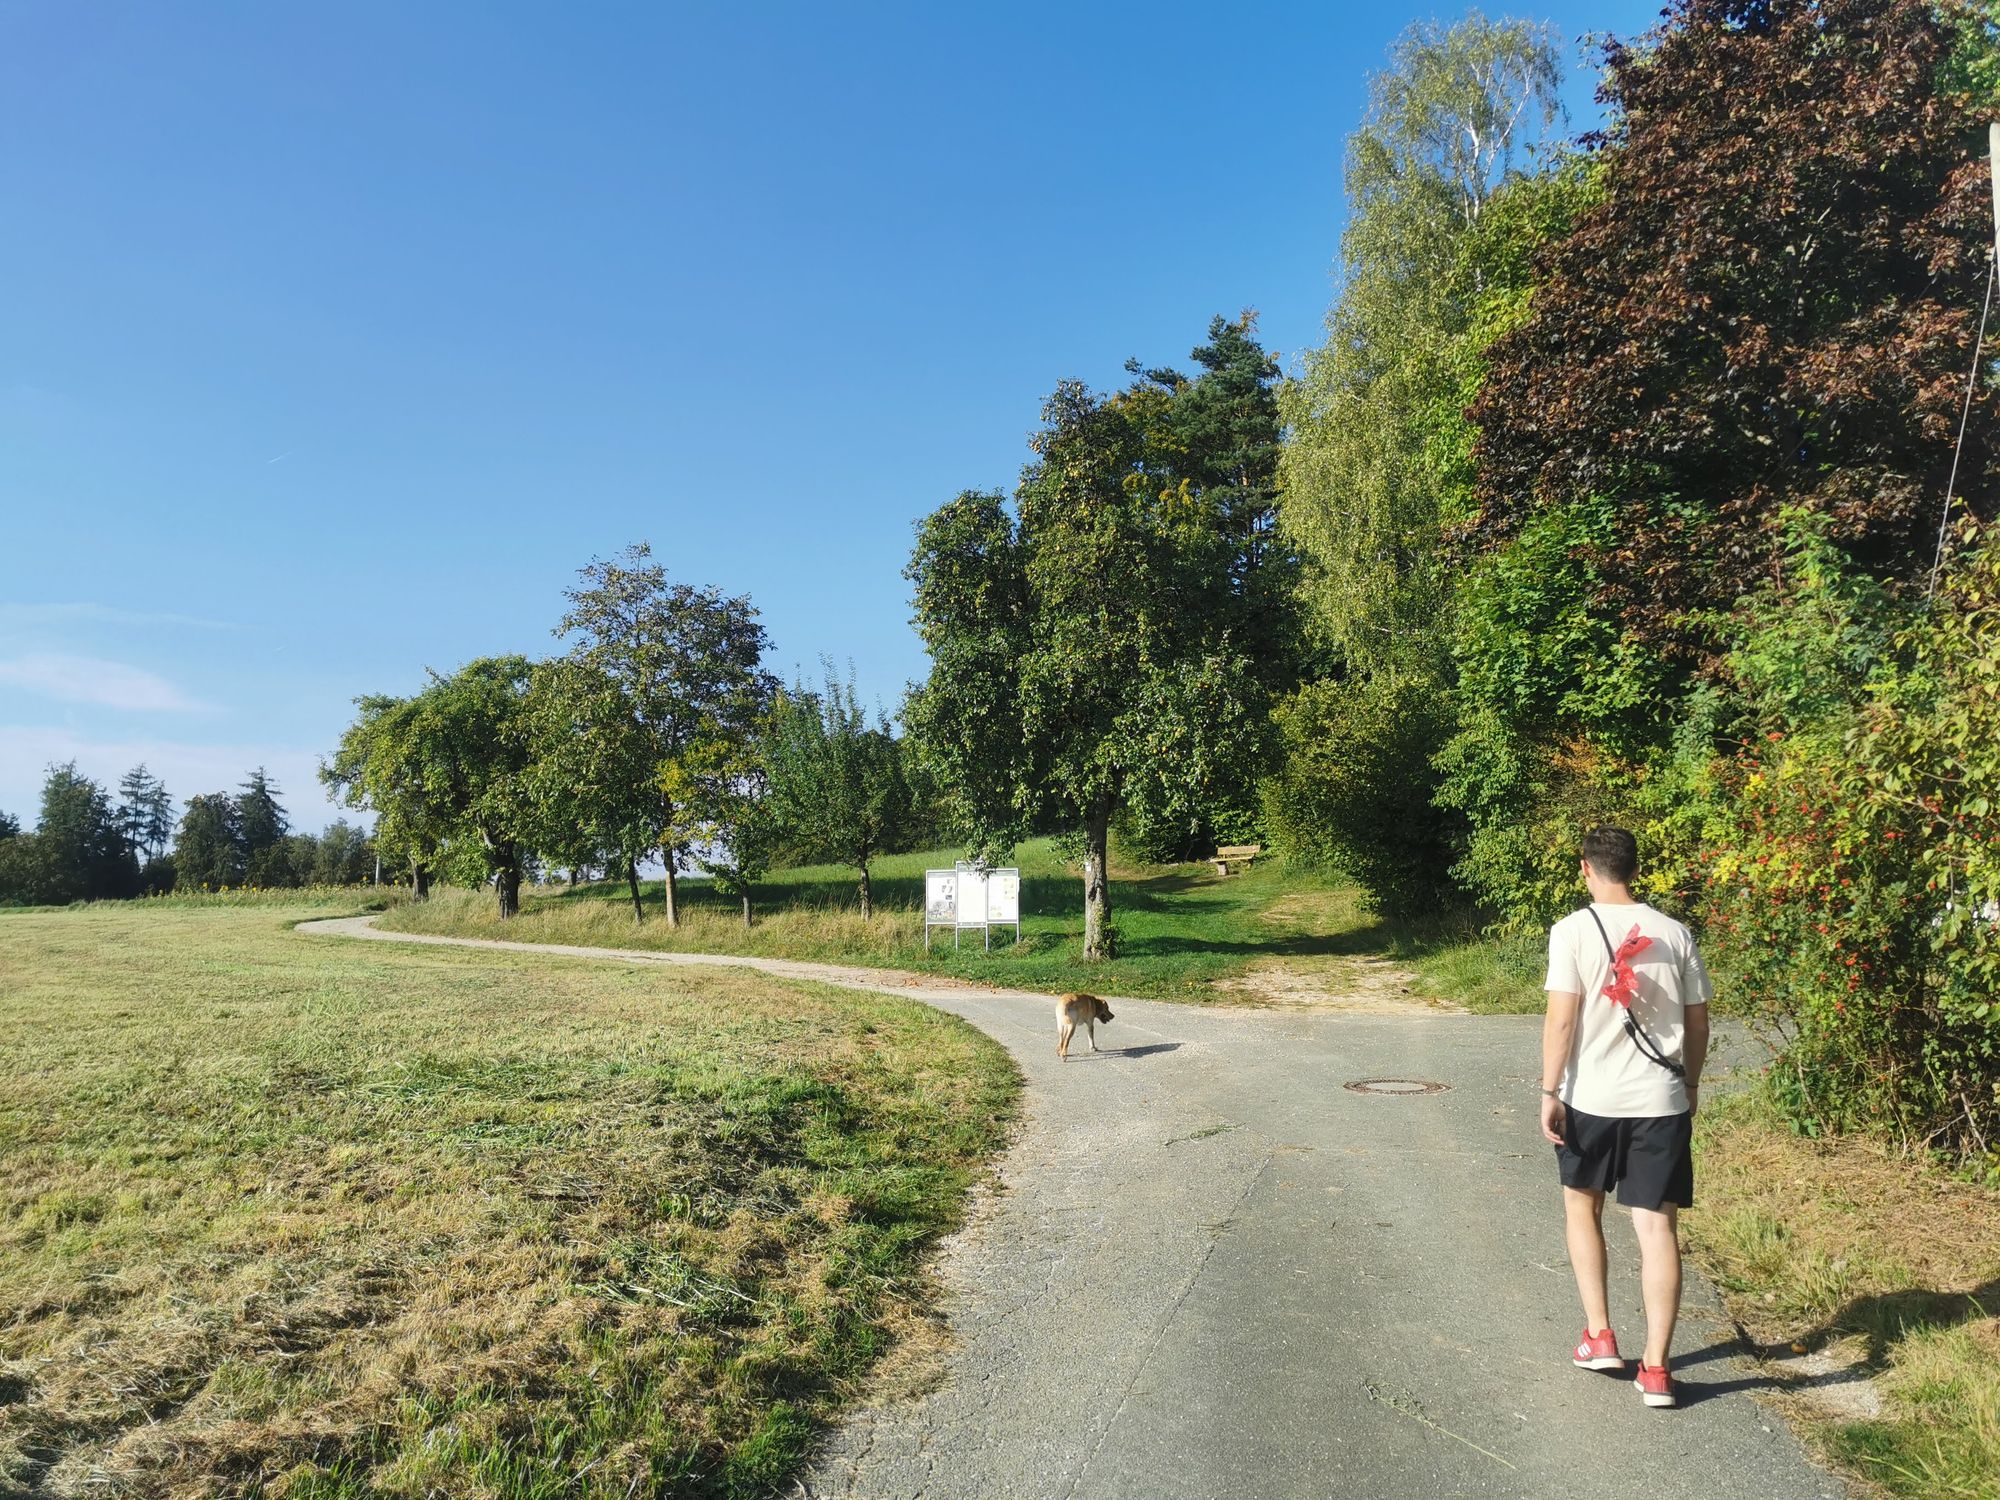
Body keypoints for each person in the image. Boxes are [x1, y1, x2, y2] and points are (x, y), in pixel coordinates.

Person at [1539, 825, 1711, 1409]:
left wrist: (1549, 1090)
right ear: (1634, 869)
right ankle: (1657, 1371)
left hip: (1591, 1099)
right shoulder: (1676, 933)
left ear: (1586, 868)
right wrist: (1687, 1083)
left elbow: (1562, 1019)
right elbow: (1697, 1022)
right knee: (1657, 1227)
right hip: (1661, 1102)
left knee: (1581, 1205)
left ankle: (1601, 1335)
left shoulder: (1571, 931)